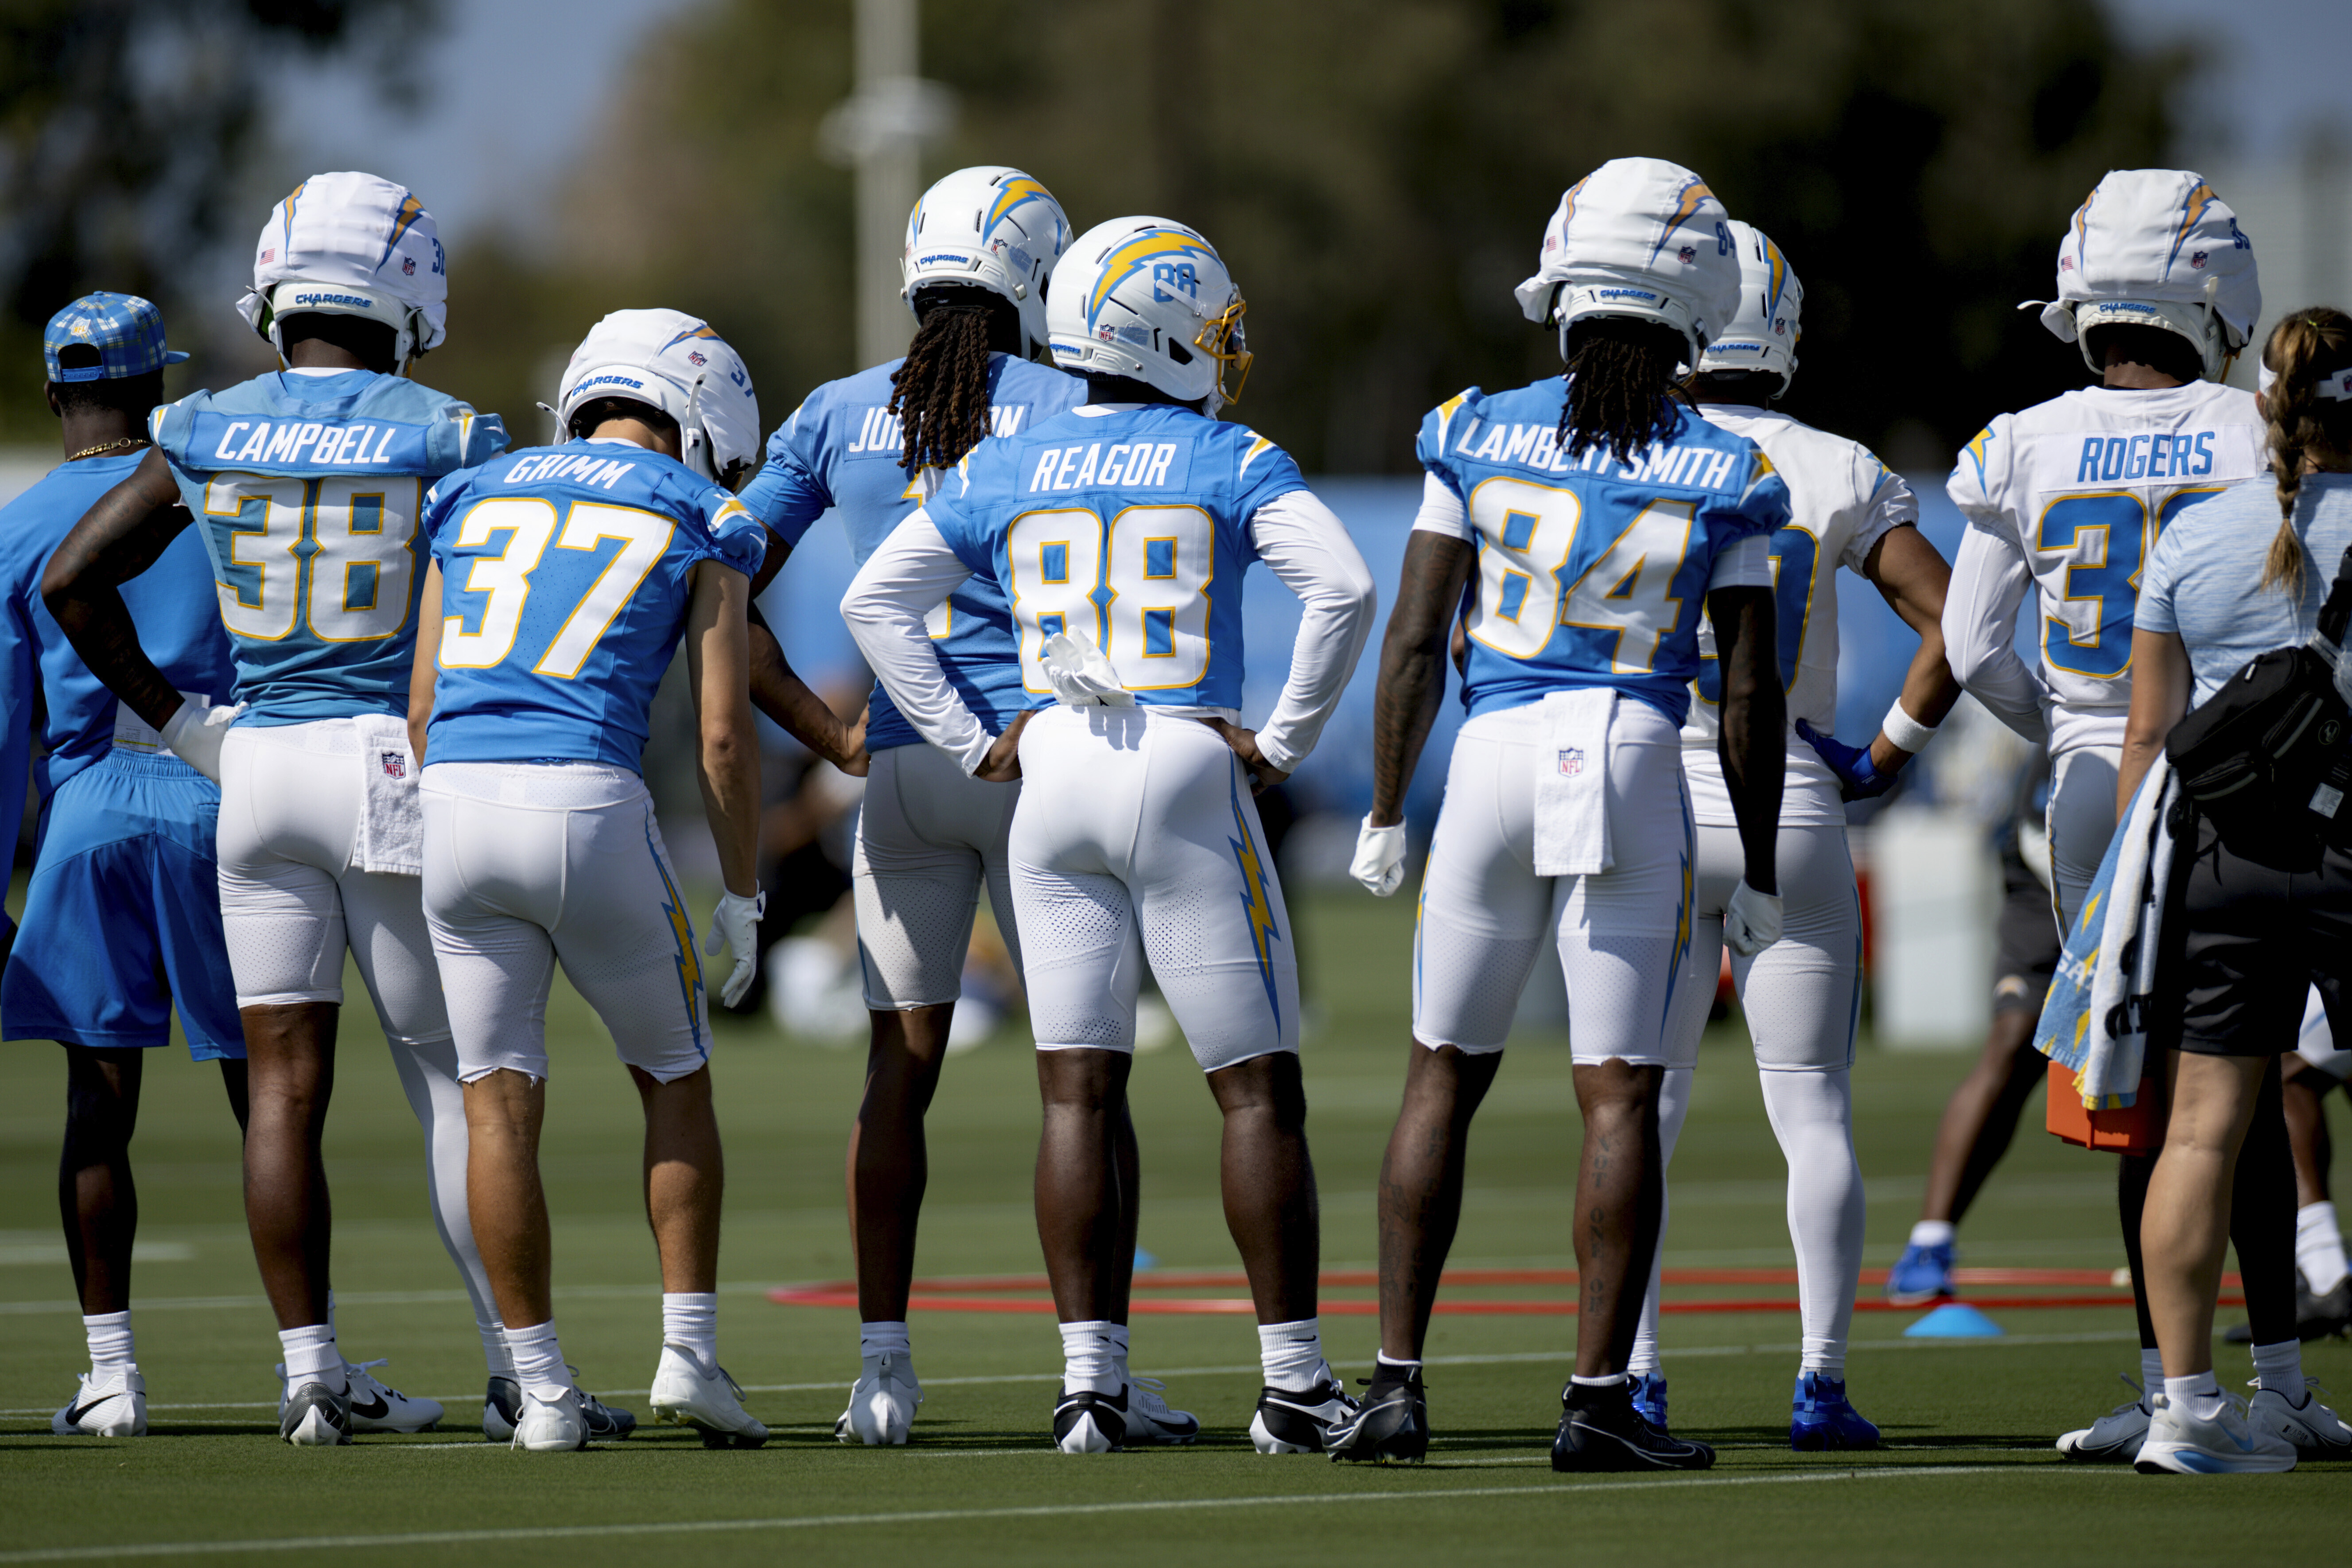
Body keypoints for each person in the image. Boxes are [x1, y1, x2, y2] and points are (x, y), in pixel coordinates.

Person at [38, 173, 622, 1447]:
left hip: (258, 772)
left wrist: (189, 725)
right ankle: (520, 1370)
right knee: (454, 1086)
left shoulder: (201, 423)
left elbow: (72, 580)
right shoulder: (448, 430)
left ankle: (310, 1370)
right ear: (406, 290)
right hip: (386, 767)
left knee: (285, 1090)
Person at [843, 215, 1378, 1454]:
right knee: (1254, 1091)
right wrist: (1285, 740)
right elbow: (1342, 587)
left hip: (1054, 775)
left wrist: (974, 737)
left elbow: (877, 599)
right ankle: (1293, 1382)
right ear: (1163, 330)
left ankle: (1088, 1382)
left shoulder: (1002, 460)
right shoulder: (1223, 450)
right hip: (1183, 757)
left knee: (1074, 1088)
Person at [1329, 158, 1788, 1472]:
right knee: (1614, 1099)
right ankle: (1593, 1403)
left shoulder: (1469, 425)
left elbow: (1414, 639)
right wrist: (1752, 863)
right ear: (1695, 300)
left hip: (1487, 752)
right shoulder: (1723, 463)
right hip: (1635, 752)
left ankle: (1394, 1390)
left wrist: (1379, 807)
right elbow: (1745, 692)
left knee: (1439, 1073)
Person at [735, 166, 1146, 1446]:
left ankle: (880, 1375)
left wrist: (825, 733)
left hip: (903, 772)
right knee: (1082, 1084)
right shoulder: (1076, 401)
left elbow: (717, 577)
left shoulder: (834, 412)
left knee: (893, 1078)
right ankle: (1097, 1379)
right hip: (1040, 765)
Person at [1937, 168, 2288, 1460]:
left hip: (2091, 792)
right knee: (2245, 1083)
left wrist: (2069, 733)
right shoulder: (2255, 426)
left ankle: (2166, 1384)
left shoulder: (2020, 439)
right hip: (2243, 788)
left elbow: (1972, 644)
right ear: (2212, 293)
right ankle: (2266, 1382)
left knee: (2154, 1097)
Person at [407, 309, 770, 1453]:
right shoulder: (700, 508)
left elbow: (418, 704)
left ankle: (545, 1392)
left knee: (494, 1102)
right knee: (674, 1073)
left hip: (456, 804)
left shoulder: (474, 490)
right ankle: (688, 1357)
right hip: (588, 799)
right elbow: (721, 736)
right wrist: (744, 891)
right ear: (702, 414)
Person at [1633, 222, 1963, 1450]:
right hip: (1793, 793)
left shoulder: (1624, 448)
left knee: (1637, 1106)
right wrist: (1885, 750)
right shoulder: (1832, 465)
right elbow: (1958, 620)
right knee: (1811, 1107)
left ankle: (1636, 1378)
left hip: (1652, 796)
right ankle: (1819, 1382)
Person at [2111, 307, 2352, 1471]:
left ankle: (2188, 1410)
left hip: (2214, 853)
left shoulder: (2192, 537)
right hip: (2348, 848)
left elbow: (2149, 735)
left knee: (2199, 1133)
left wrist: (2120, 903)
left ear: (2267, 403)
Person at [1, 293, 243, 1437]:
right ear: (159, 390)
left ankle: (112, 1377)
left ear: (55, 395)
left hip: (87, 812)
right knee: (277, 1097)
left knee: (96, 1103)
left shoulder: (14, 525)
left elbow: (4, 729)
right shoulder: (211, 491)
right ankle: (318, 1366)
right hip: (221, 797)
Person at [1885, 751, 2062, 1305]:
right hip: (2051, 871)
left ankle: (2306, 1249)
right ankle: (1929, 1241)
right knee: (2013, 1040)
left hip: (2156, 880)